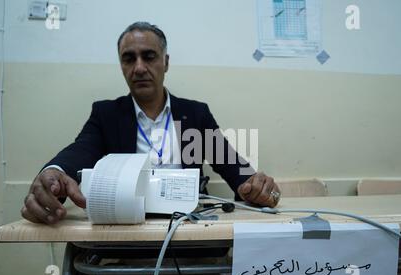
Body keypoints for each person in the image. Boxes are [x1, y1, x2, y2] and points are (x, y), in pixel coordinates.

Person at [21, 22, 281, 224]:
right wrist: (54, 171)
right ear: (121, 65)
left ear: (165, 62)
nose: (139, 67)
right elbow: (81, 150)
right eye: (129, 58)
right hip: (126, 236)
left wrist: (261, 190)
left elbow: (238, 172)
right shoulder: (106, 114)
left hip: (187, 233)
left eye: (149, 56)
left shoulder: (196, 114)